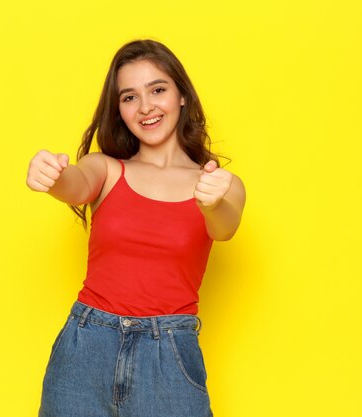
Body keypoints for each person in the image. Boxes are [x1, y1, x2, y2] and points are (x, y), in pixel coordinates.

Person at [26, 39, 246, 417]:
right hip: (86, 346)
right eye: (129, 97)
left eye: (157, 90)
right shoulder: (107, 169)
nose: (145, 107)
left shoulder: (218, 184)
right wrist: (53, 176)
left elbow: (224, 227)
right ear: (119, 111)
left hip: (169, 354)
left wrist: (212, 202)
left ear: (181, 96)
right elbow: (75, 185)